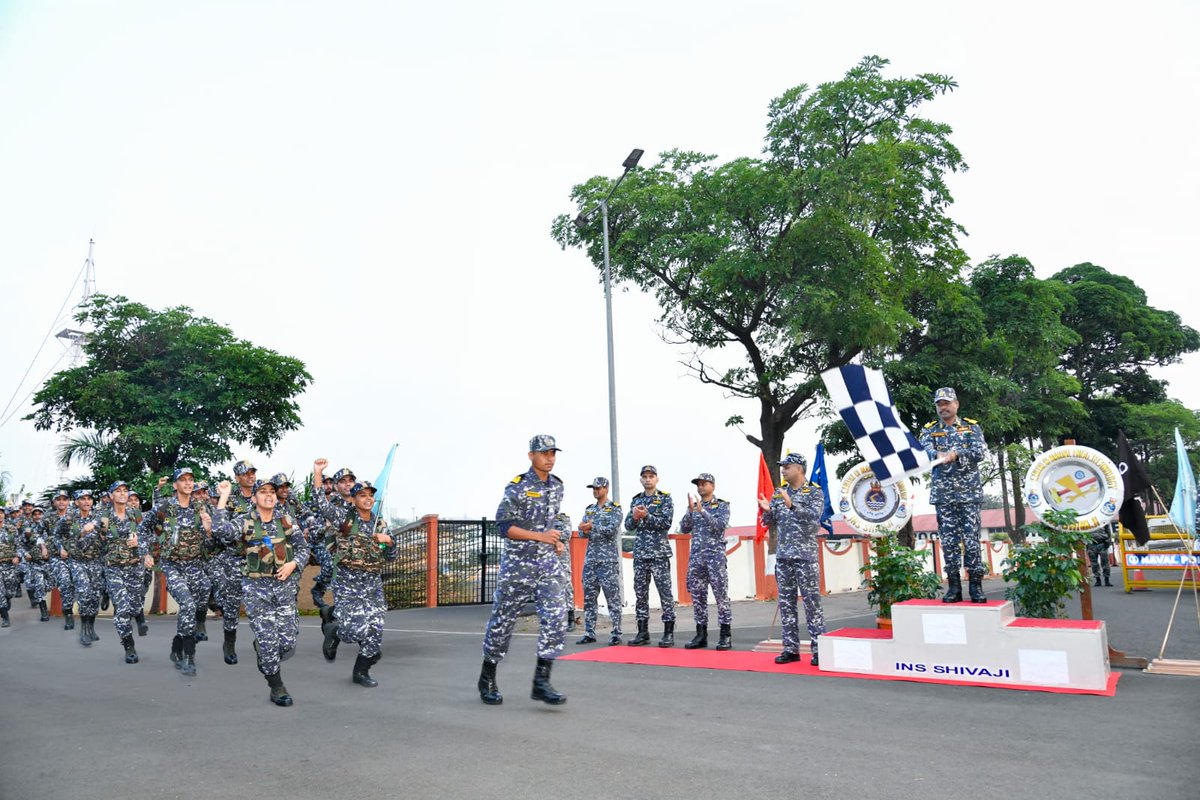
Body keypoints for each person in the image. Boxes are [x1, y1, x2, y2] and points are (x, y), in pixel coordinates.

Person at [477, 435, 569, 706]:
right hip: (518, 566)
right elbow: (504, 527)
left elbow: (554, 521)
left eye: (553, 453)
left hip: (547, 564)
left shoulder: (557, 487)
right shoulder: (517, 487)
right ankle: (487, 676)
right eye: (544, 453)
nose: (550, 458)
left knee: (556, 616)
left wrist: (557, 540)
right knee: (502, 622)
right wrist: (538, 536)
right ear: (531, 455)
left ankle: (541, 681)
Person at [213, 478, 309, 706]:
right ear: (254, 498)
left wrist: (293, 564)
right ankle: (276, 685)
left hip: (283, 588)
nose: (269, 495)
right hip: (257, 590)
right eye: (263, 492)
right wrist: (224, 497)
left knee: (286, 642)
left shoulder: (285, 521)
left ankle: (264, 652)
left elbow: (304, 548)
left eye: (272, 492)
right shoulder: (245, 521)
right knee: (268, 642)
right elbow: (219, 531)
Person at [312, 461, 396, 688]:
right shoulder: (344, 517)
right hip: (348, 581)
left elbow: (391, 556)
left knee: (375, 630)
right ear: (354, 499)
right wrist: (318, 473)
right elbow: (321, 503)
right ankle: (334, 630)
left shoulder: (380, 523)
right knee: (353, 630)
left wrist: (388, 542)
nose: (368, 499)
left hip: (372, 583)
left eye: (371, 495)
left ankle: (361, 672)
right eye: (362, 495)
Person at [140, 467, 214, 676]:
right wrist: (145, 553)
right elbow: (144, 529)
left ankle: (177, 643)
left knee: (206, 589)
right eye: (183, 480)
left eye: (191, 479)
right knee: (188, 605)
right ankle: (188, 656)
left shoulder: (202, 507)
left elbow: (212, 536)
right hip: (172, 566)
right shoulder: (164, 507)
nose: (188, 483)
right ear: (175, 485)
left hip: (195, 564)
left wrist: (209, 529)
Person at [918, 387, 988, 604]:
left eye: (947, 403)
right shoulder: (929, 431)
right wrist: (936, 454)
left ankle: (976, 586)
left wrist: (957, 454)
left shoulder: (970, 427)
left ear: (956, 404)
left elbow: (980, 453)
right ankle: (954, 587)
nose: (943, 407)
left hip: (969, 494)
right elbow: (921, 453)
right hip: (943, 495)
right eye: (939, 404)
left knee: (972, 541)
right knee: (948, 542)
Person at [759, 452, 827, 665]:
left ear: (799, 468)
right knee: (786, 604)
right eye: (782, 466)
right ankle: (790, 649)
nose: (783, 470)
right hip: (784, 556)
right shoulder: (779, 494)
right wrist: (767, 510)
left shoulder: (813, 492)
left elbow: (815, 518)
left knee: (812, 604)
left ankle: (819, 650)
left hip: (805, 557)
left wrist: (792, 505)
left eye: (787, 466)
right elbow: (771, 522)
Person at [98, 481, 152, 664]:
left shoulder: (136, 515)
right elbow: (95, 541)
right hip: (114, 569)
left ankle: (139, 616)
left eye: (125, 491)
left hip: (135, 568)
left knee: (135, 605)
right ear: (111, 495)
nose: (122, 494)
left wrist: (142, 547)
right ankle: (129, 646)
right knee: (122, 608)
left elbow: (147, 536)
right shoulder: (103, 518)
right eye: (118, 491)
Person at [624, 465, 675, 647]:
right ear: (641, 480)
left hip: (659, 554)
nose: (648, 479)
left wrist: (647, 516)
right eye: (644, 476)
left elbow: (666, 523)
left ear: (657, 479)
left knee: (665, 594)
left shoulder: (665, 499)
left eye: (651, 476)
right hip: (640, 554)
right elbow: (628, 525)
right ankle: (642, 632)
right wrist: (636, 517)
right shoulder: (636, 500)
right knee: (640, 594)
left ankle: (668, 632)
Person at [680, 472, 732, 650]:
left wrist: (703, 512)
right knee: (698, 598)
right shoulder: (693, 507)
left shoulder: (722, 505)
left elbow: (720, 526)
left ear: (713, 486)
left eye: (704, 484)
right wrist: (690, 511)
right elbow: (684, 529)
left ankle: (725, 635)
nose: (701, 487)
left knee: (721, 597)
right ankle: (701, 634)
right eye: (699, 484)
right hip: (697, 559)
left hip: (715, 558)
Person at [54, 489, 106, 647]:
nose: (86, 502)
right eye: (82, 499)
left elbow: (109, 535)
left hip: (96, 561)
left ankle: (91, 627)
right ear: (76, 502)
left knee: (95, 596)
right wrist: (61, 547)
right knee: (84, 593)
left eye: (89, 498)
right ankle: (84, 629)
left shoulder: (99, 517)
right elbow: (57, 535)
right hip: (77, 561)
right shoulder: (68, 519)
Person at [575, 477, 624, 646]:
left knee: (612, 599)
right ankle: (589, 632)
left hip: (607, 561)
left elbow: (611, 531)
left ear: (606, 488)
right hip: (591, 561)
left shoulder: (614, 509)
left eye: (598, 488)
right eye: (593, 488)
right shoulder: (590, 510)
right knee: (589, 599)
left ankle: (616, 633)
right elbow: (582, 533)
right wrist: (583, 529)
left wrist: (592, 526)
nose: (595, 491)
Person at [47, 490, 76, 630]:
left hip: (76, 556)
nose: (61, 502)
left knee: (77, 584)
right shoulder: (48, 518)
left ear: (68, 501)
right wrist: (43, 547)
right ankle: (68, 613)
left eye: (64, 499)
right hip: (57, 557)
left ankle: (72, 604)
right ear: (54, 502)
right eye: (58, 499)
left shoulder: (75, 515)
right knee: (65, 581)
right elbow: (38, 533)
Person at [19, 505, 51, 622]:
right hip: (35, 562)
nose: (37, 516)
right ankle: (43, 611)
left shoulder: (49, 526)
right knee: (39, 585)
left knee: (49, 585)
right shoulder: (28, 529)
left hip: (49, 562)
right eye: (35, 514)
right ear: (32, 516)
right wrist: (26, 553)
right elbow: (20, 544)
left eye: (39, 514)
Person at [553, 512, 577, 632]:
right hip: (545, 557)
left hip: (562, 557)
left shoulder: (563, 518)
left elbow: (567, 535)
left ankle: (571, 618)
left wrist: (548, 536)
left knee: (567, 586)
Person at [0, 508, 19, 628]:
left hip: (9, 565)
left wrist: (17, 556)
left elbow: (18, 545)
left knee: (9, 591)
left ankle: (7, 598)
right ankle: (5, 616)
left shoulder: (11, 529)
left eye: (1, 513)